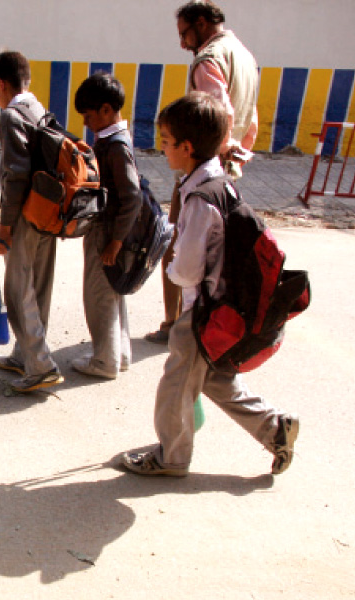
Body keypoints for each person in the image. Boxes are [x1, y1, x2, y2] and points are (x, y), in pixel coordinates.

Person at [122, 92, 299, 477]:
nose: (162, 149)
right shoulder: (218, 182)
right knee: (216, 380)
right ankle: (275, 427)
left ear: (186, 148)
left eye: (167, 142)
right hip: (222, 307)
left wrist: (170, 272)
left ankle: (171, 458)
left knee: (175, 386)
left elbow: (185, 270)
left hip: (202, 312)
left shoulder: (200, 199)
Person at [146, 0, 259, 345]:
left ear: (201, 23)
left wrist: (212, 150)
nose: (182, 43)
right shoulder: (244, 55)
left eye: (184, 34)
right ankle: (209, 319)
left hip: (204, 163)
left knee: (178, 244)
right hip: (230, 167)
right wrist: (238, 151)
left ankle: (174, 323)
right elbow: (250, 117)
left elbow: (215, 113)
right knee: (215, 249)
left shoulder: (208, 60)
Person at [0, 50, 63, 393]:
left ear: (0, 84)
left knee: (18, 291)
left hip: (25, 215)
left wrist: (5, 224)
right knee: (40, 286)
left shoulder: (10, 116)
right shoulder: (39, 108)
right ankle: (25, 354)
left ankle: (40, 364)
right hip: (49, 211)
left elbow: (15, 175)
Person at [71, 72, 142, 379]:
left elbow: (133, 197)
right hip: (113, 232)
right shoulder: (113, 140)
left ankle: (104, 361)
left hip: (109, 235)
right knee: (114, 293)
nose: (86, 122)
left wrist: (114, 241)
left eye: (89, 115)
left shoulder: (115, 146)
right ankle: (119, 354)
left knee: (99, 296)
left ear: (106, 110)